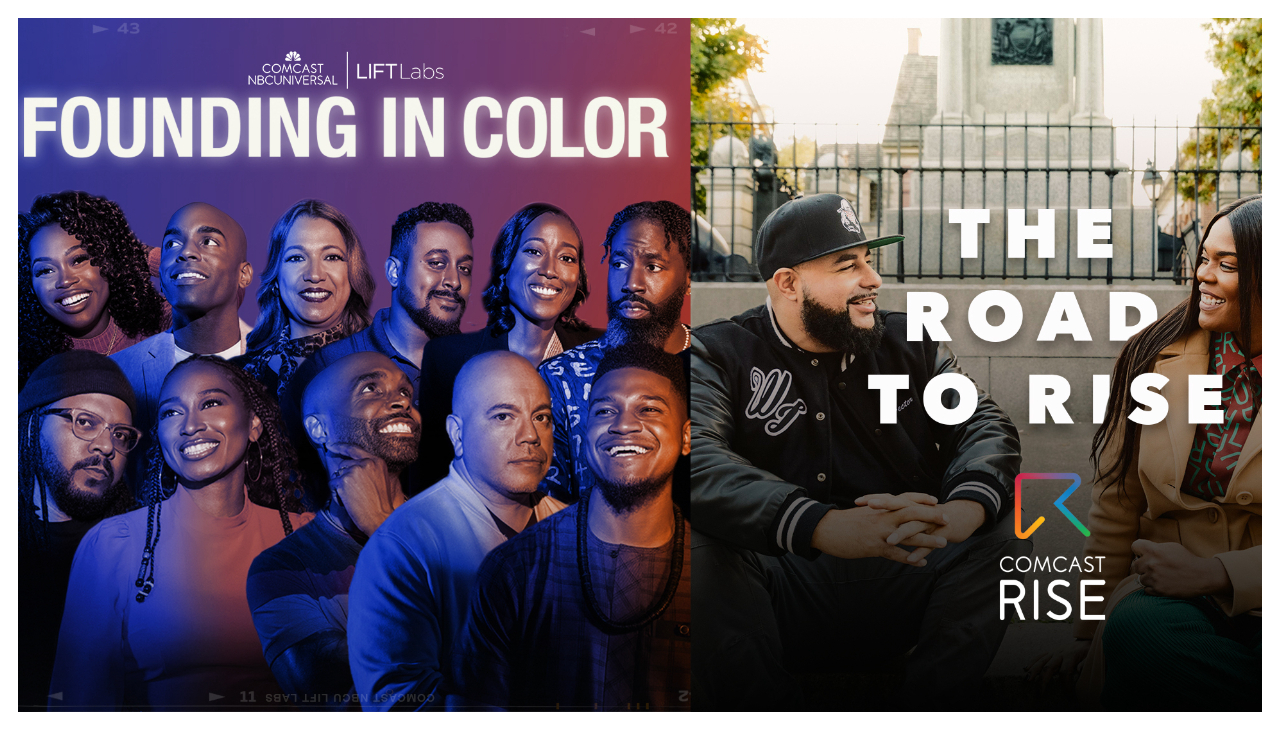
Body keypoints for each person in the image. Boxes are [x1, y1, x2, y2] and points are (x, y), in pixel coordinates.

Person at [690, 193, 1025, 710]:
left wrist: (960, 511)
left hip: (903, 566)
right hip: (782, 582)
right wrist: (818, 524)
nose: (872, 280)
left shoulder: (909, 339)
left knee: (1000, 537)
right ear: (787, 282)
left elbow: (982, 422)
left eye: (870, 260)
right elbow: (697, 462)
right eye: (848, 265)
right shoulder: (719, 352)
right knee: (703, 542)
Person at [1027, 195, 1262, 710]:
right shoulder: (1150, 356)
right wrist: (1087, 636)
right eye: (1204, 258)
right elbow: (1115, 504)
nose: (1204, 275)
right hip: (1176, 603)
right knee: (1138, 633)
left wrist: (1222, 573)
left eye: (1228, 265)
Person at [48, 356, 309, 710]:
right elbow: (77, 704)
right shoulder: (112, 545)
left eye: (211, 403)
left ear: (254, 425)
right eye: (171, 413)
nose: (191, 425)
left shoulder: (304, 535)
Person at [450, 344, 692, 710]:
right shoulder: (512, 571)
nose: (624, 424)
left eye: (649, 409)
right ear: (584, 432)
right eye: (605, 410)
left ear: (687, 437)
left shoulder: (730, 578)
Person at [347, 351, 567, 710]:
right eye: (503, 416)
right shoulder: (404, 547)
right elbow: (400, 701)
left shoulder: (577, 531)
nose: (531, 435)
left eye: (541, 417)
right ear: (457, 433)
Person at [246, 352, 417, 710]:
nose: (402, 400)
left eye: (407, 393)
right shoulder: (283, 568)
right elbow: (333, 697)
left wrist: (381, 526)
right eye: (371, 388)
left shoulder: (459, 521)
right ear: (318, 428)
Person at [419, 202, 602, 483]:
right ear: (507, 262)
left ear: (579, 277)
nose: (550, 270)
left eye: (566, 258)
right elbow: (431, 478)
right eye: (533, 251)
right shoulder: (449, 360)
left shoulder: (601, 354)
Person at [538, 200, 692, 505]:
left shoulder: (716, 365)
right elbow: (546, 511)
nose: (631, 283)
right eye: (619, 264)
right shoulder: (561, 377)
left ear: (689, 277)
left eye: (653, 266)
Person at [18, 351, 140, 711]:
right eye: (85, 422)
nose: (106, 446)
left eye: (121, 434)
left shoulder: (144, 548)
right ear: (32, 424)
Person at [111, 202, 256, 486]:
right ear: (162, 277)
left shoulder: (278, 364)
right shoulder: (120, 372)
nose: (186, 252)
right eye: (172, 244)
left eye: (209, 241)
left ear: (244, 274)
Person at [313, 200, 474, 404]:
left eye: (464, 268)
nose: (454, 281)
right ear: (394, 272)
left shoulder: (483, 366)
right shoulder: (333, 363)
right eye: (436, 263)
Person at [19, 191, 167, 388]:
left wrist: (131, 254)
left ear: (108, 259)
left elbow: (211, 276)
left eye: (79, 260)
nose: (65, 280)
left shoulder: (160, 326)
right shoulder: (27, 369)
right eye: (45, 270)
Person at [237, 199, 376, 400]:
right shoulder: (239, 377)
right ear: (276, 278)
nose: (314, 274)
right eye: (296, 258)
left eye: (331, 257)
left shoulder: (386, 365)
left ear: (353, 275)